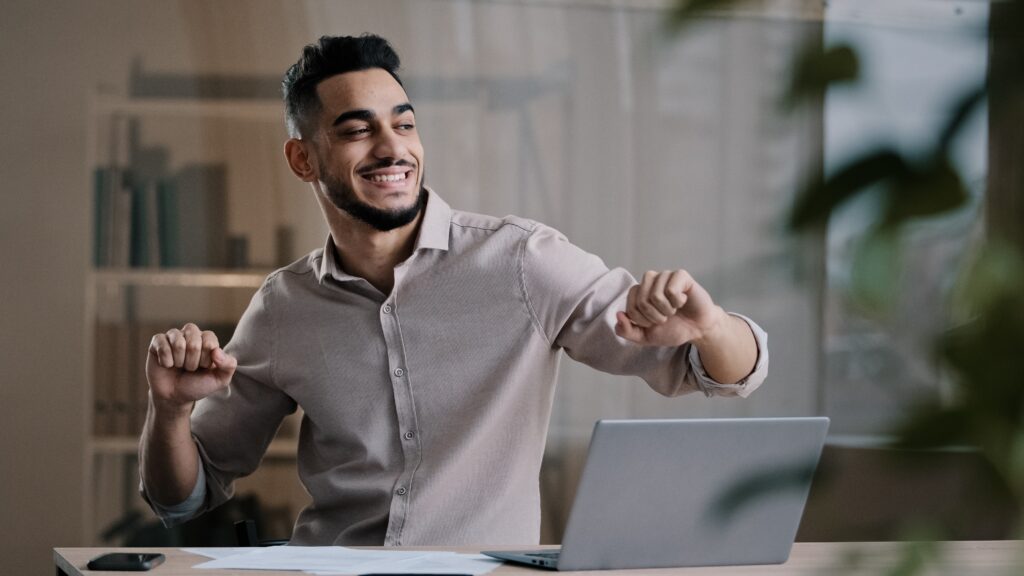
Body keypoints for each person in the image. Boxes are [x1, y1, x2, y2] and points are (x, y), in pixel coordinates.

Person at [139, 34, 769, 546]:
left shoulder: (522, 261)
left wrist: (710, 327)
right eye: (358, 130)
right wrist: (168, 411)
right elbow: (184, 497)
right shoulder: (284, 307)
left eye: (404, 125)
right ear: (304, 160)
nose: (393, 148)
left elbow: (721, 372)